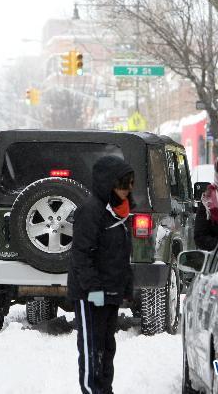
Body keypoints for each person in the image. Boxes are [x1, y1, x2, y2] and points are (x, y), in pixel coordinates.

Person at [67, 155, 134, 394]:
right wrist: (93, 287)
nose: (128, 190)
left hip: (111, 291)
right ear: (108, 183)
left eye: (130, 183)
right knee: (92, 346)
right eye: (123, 184)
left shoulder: (121, 212)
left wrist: (126, 285)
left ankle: (105, 389)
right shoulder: (91, 211)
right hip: (91, 293)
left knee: (107, 347)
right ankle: (92, 390)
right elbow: (81, 254)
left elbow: (121, 252)